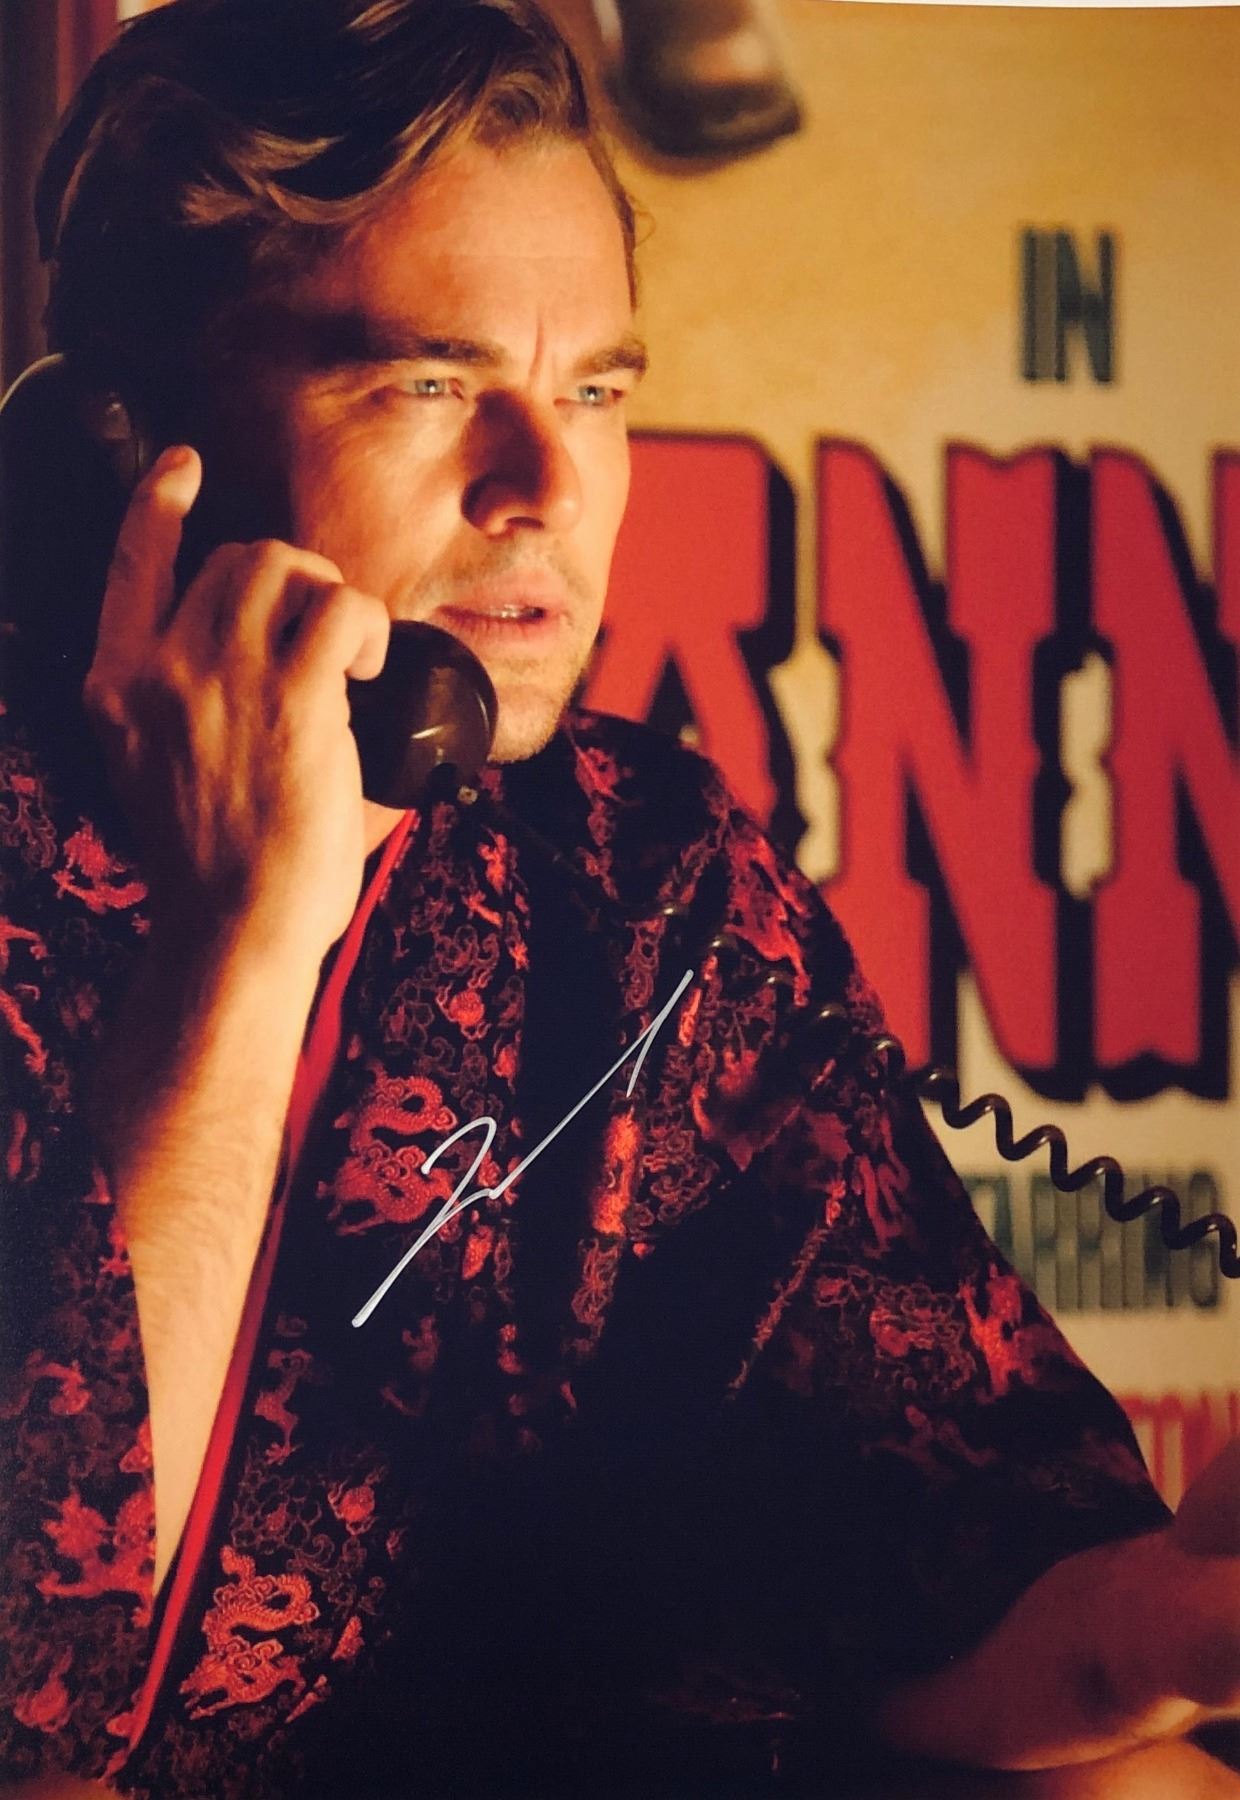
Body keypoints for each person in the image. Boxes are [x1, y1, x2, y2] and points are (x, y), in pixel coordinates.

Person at [0, 2, 1237, 1796]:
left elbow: (914, 1538)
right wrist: (241, 940)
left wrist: (1166, 1625)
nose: (550, 486)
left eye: (594, 391)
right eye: (429, 383)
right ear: (129, 449)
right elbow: (30, 1683)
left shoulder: (640, 870)